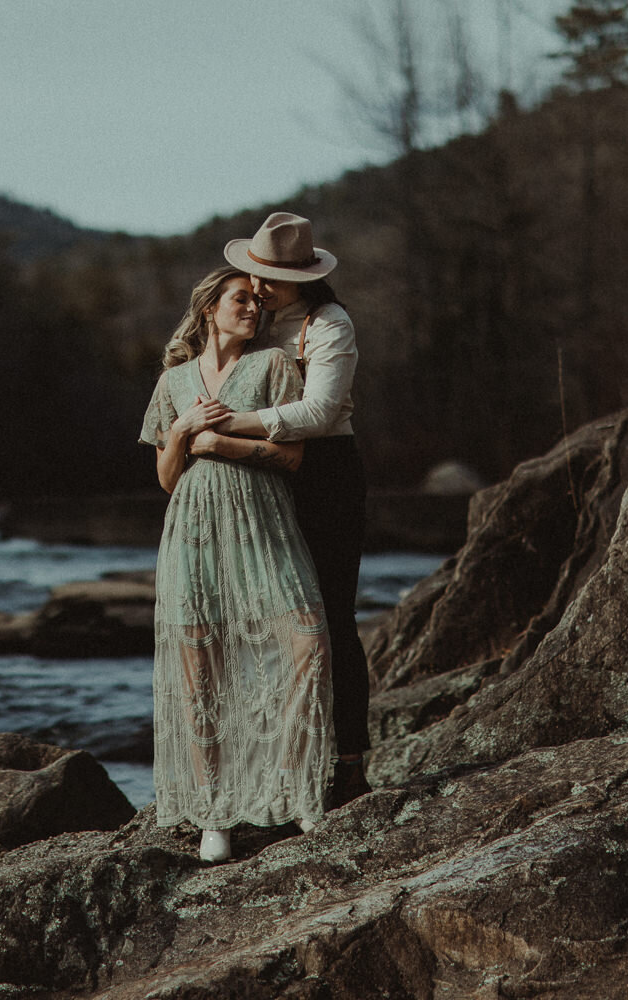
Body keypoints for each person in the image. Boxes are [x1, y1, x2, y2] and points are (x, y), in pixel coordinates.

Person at [140, 266, 333, 863]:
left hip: (262, 523)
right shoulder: (173, 380)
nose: (252, 308)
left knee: (308, 641)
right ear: (209, 310)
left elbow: (292, 456)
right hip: (194, 530)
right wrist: (181, 433)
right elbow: (168, 479)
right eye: (239, 299)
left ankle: (297, 791)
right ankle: (214, 814)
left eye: (256, 301)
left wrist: (220, 442)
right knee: (200, 666)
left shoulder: (275, 365)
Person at [209, 212, 371, 807]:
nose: (258, 285)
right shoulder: (252, 319)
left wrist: (226, 425)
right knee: (267, 621)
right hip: (258, 473)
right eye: (254, 273)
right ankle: (273, 765)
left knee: (331, 620)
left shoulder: (330, 325)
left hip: (326, 473)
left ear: (304, 278)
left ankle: (348, 764)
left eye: (271, 276)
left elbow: (318, 413)